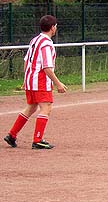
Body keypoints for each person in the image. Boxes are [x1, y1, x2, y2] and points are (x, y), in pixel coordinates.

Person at [4, 15, 67, 149]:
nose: (56, 28)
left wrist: (25, 79)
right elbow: (46, 67)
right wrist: (58, 83)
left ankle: (12, 134)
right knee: (46, 107)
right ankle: (37, 140)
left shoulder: (35, 40)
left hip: (30, 80)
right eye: (55, 26)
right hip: (40, 81)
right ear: (52, 28)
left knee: (31, 107)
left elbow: (27, 60)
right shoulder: (47, 44)